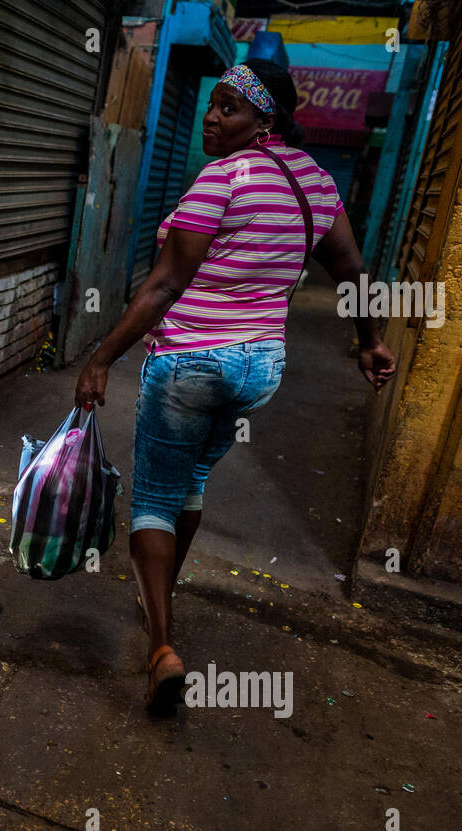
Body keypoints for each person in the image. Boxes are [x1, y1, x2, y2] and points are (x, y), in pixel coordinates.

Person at [73, 59, 396, 713]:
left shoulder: (221, 179)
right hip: (259, 371)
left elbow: (164, 286)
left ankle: (161, 647)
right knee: (191, 482)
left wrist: (102, 356)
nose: (212, 118)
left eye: (230, 108)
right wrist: (370, 342)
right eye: (212, 104)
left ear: (265, 120)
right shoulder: (315, 184)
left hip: (191, 363)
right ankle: (162, 589)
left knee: (155, 500)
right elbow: (352, 269)